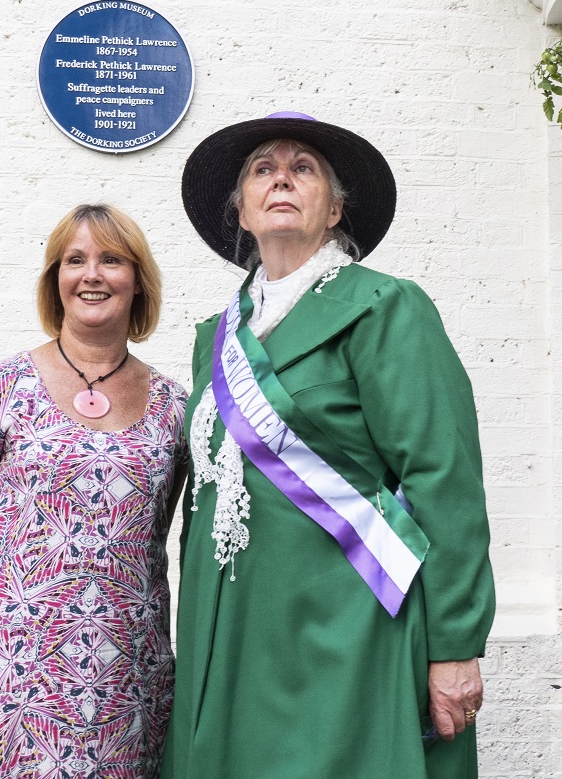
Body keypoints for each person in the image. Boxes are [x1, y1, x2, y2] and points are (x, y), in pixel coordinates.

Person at [162, 113, 496, 779]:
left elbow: (442, 476)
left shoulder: (383, 307)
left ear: (336, 206)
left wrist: (455, 643)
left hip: (347, 625)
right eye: (263, 167)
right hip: (230, 633)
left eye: (303, 167)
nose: (281, 176)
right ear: (243, 211)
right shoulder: (215, 338)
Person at [0, 204, 188, 779]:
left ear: (138, 281)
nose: (92, 274)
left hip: (123, 687)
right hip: (9, 680)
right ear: (56, 281)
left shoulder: (175, 407)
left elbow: (151, 543)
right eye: (75, 260)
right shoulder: (4, 387)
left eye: (112, 260)